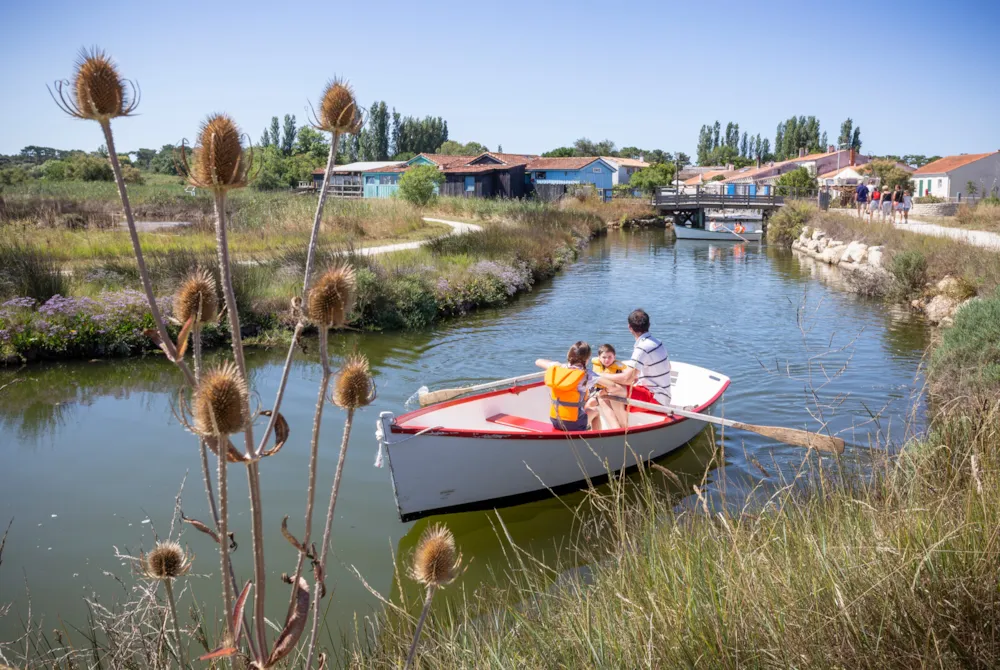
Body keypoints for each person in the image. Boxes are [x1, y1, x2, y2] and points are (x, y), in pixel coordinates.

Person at [597, 309, 672, 411]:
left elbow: (628, 379)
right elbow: (668, 366)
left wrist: (600, 375)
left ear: (630, 327)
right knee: (613, 389)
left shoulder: (642, 347)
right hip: (663, 395)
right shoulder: (657, 342)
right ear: (648, 324)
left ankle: (620, 426)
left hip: (655, 398)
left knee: (609, 392)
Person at [536, 341, 601, 432]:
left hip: (555, 420)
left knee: (585, 410)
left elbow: (538, 361)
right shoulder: (588, 374)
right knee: (595, 412)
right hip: (574, 424)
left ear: (568, 355)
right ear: (587, 359)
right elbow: (611, 385)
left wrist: (556, 364)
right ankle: (596, 440)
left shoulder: (559, 368)